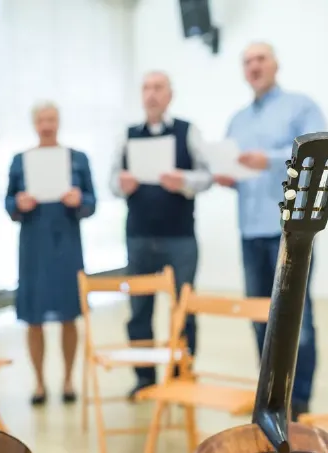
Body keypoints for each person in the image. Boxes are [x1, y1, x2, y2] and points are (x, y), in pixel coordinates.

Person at [214, 42, 327, 420]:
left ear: (275, 64)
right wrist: (229, 177)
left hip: (290, 230)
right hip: (250, 230)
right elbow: (237, 166)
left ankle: (300, 400)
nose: (254, 66)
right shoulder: (237, 120)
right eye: (247, 61)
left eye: (260, 59)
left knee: (298, 317)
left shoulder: (300, 106)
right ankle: (271, 395)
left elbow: (318, 152)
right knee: (259, 313)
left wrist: (271, 158)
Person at [109, 71, 213, 397]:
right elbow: (111, 181)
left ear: (170, 95)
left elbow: (208, 176)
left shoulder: (188, 131)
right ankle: (144, 379)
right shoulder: (127, 135)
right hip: (139, 236)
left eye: (158, 88)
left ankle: (183, 374)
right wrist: (120, 184)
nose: (151, 94)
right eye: (146, 88)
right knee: (139, 310)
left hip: (180, 237)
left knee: (184, 308)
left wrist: (183, 181)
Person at [5, 101, 96, 406]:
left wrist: (78, 199)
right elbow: (7, 203)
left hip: (67, 243)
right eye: (41, 119)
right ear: (34, 123)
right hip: (34, 245)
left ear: (59, 122)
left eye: (51, 119)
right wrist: (19, 203)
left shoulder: (78, 159)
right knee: (34, 316)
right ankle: (39, 382)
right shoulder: (20, 161)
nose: (46, 125)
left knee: (70, 314)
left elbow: (92, 202)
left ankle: (69, 379)